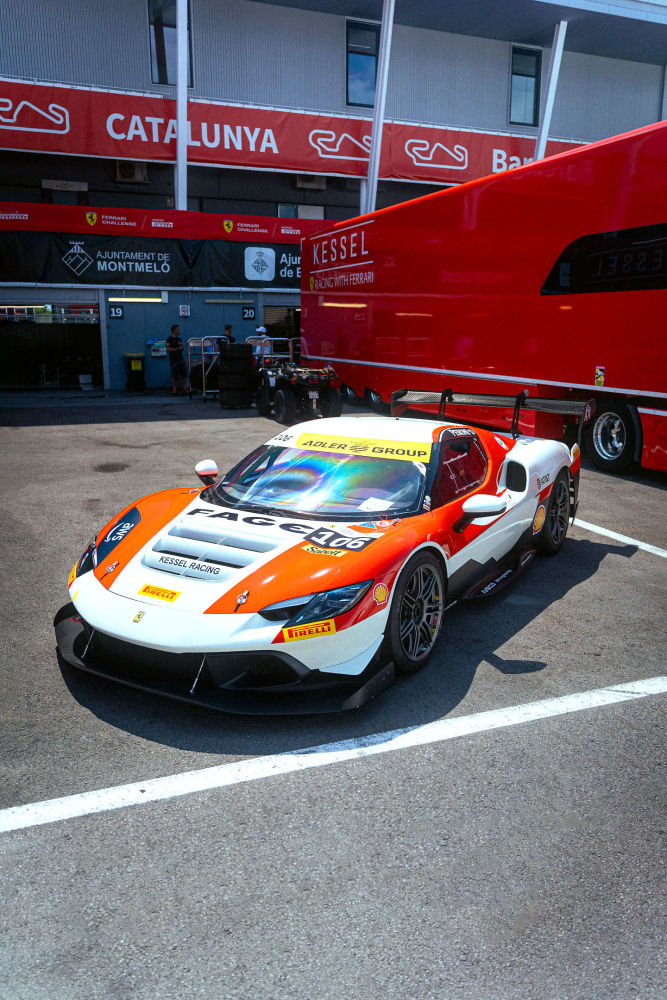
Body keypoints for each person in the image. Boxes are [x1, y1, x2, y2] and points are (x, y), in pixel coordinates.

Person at [166, 323, 189, 394]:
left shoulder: (179, 339)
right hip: (173, 360)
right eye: (177, 330)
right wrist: (177, 348)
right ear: (174, 330)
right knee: (174, 375)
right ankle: (174, 388)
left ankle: (184, 387)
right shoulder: (169, 340)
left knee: (184, 374)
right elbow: (168, 349)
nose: (179, 331)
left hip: (180, 359)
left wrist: (180, 347)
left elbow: (182, 348)